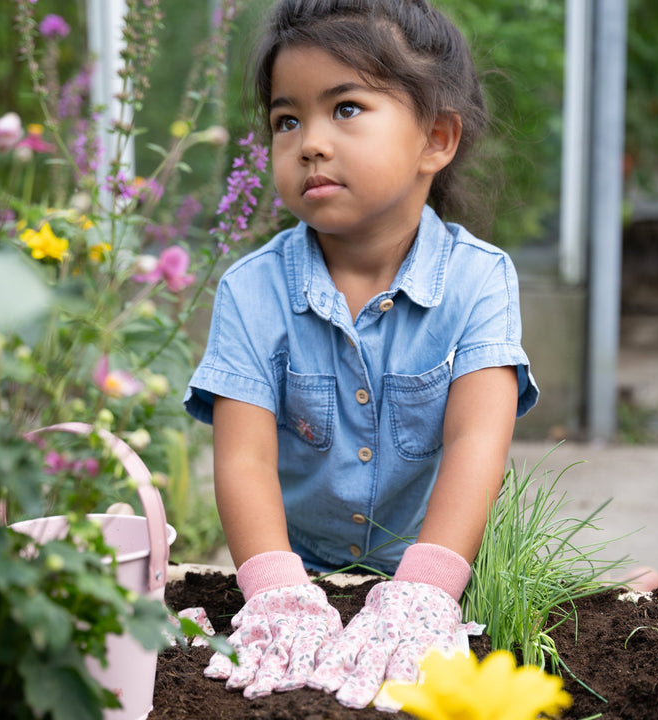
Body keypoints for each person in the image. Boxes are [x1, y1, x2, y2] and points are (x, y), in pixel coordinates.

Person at [184, 0, 538, 710]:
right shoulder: (251, 291)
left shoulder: (479, 280)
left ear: (435, 139)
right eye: (288, 120)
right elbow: (244, 459)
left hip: (444, 585)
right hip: (299, 579)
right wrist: (279, 593)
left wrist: (423, 593)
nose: (310, 142)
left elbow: (478, 443)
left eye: (345, 109)